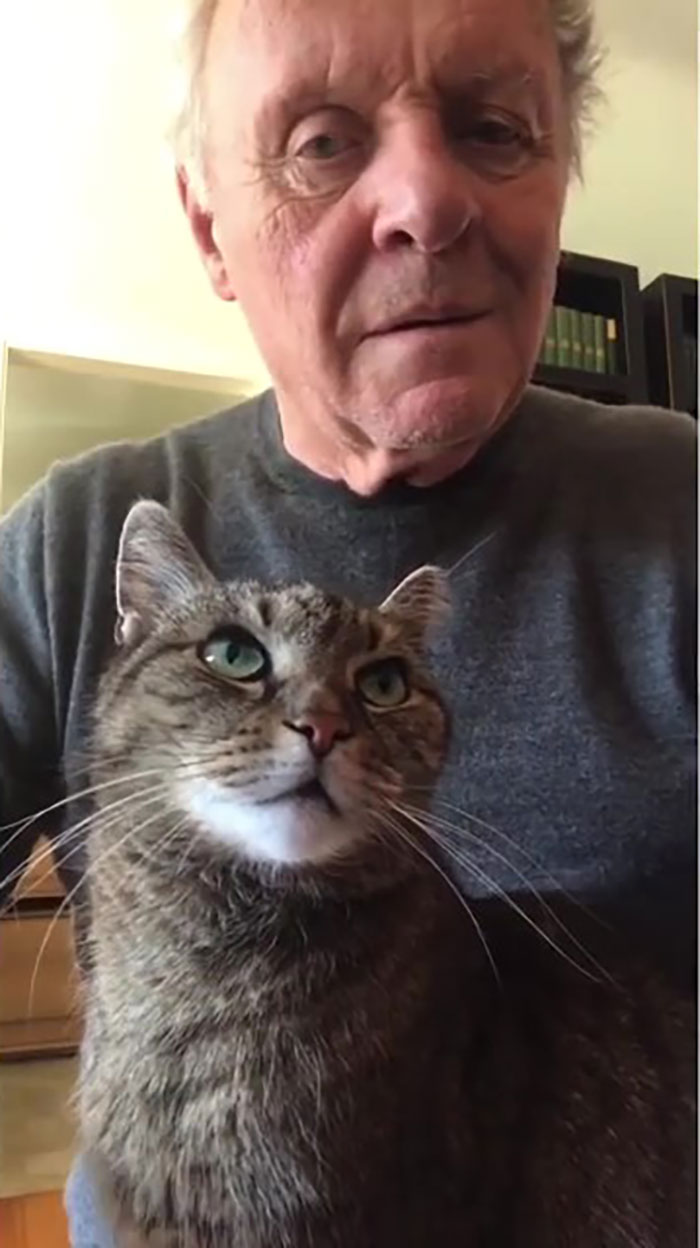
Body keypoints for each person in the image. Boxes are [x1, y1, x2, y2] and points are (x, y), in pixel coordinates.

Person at [0, 0, 695, 1243]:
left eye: (493, 128)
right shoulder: (75, 528)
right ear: (212, 230)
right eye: (322, 142)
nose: (426, 204)